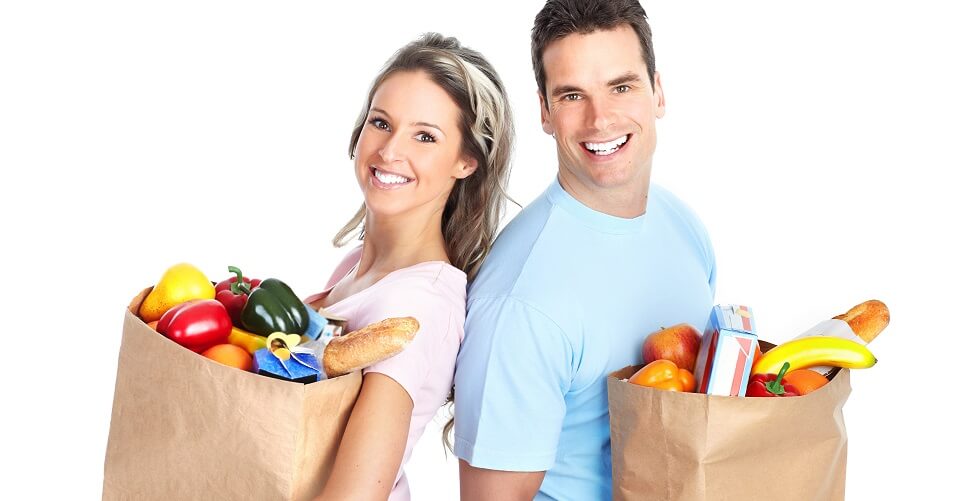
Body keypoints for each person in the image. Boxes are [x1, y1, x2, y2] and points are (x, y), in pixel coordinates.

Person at [453, 1, 716, 499]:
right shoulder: (521, 299)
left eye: (622, 86)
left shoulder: (682, 226)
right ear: (546, 113)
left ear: (657, 91)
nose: (600, 119)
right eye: (573, 95)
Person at [304, 32, 514, 501]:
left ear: (465, 161)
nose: (390, 151)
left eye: (425, 136)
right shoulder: (354, 268)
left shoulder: (415, 303)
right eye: (381, 123)